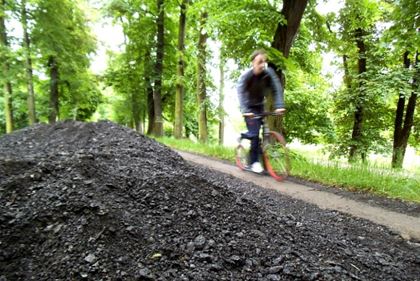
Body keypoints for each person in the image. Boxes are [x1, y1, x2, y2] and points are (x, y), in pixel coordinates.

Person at [236, 49, 286, 173]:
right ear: (253, 62)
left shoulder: (268, 73)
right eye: (259, 62)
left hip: (260, 106)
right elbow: (241, 92)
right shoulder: (246, 76)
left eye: (264, 62)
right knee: (254, 135)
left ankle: (266, 164)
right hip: (249, 108)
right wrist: (245, 110)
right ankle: (254, 162)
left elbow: (276, 88)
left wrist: (279, 105)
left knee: (264, 134)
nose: (262, 65)